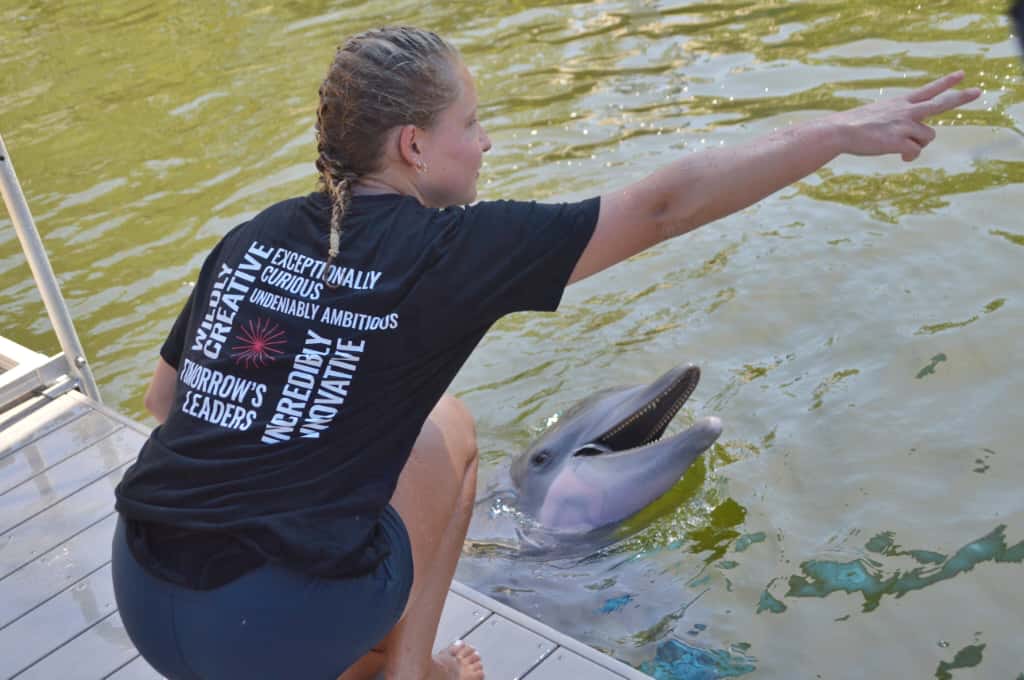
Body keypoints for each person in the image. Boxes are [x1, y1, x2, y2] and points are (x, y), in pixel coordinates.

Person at [111, 25, 980, 680]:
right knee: (444, 430)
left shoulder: (254, 235)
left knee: (397, 441)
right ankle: (413, 674)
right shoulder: (451, 250)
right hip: (259, 632)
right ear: (414, 146)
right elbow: (665, 206)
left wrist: (308, 433)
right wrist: (835, 133)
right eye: (471, 122)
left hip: (144, 598)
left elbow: (166, 402)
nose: (484, 142)